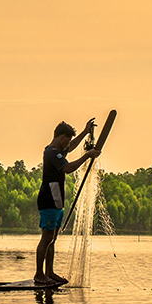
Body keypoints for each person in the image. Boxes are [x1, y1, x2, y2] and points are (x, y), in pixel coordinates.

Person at [35, 119, 101, 285]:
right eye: (68, 139)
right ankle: (39, 274)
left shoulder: (58, 151)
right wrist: (87, 155)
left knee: (52, 239)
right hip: (48, 201)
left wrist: (85, 132)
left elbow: (70, 148)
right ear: (61, 137)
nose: (69, 144)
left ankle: (49, 272)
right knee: (46, 238)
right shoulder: (51, 152)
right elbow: (67, 168)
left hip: (58, 203)